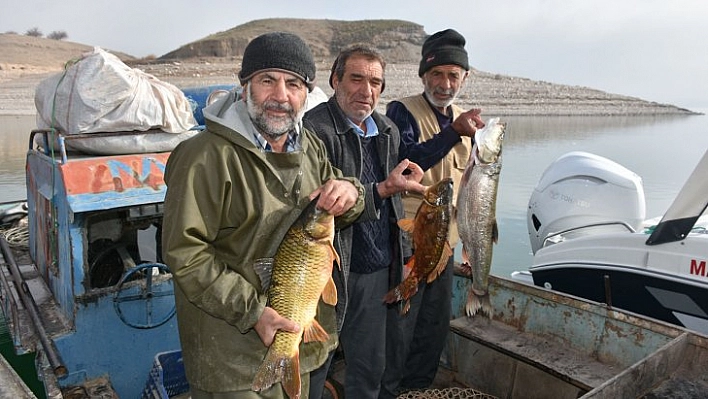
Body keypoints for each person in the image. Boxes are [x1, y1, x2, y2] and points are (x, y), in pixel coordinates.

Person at [161, 31, 365, 399]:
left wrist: (352, 190)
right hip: (230, 359)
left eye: (294, 84)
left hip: (298, 340)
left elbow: (337, 209)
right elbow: (185, 255)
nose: (281, 96)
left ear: (306, 94)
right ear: (245, 87)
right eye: (267, 80)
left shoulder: (309, 147)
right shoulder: (204, 156)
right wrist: (254, 312)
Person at [302, 44, 426, 399]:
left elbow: (396, 204)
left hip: (374, 271)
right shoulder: (315, 130)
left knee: (368, 367)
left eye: (375, 82)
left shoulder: (387, 130)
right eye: (356, 78)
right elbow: (322, 205)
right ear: (335, 80)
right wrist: (383, 188)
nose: (366, 91)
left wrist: (403, 259)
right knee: (314, 363)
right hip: (327, 272)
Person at [380, 28, 486, 398]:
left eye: (453, 75)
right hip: (410, 238)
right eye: (437, 74)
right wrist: (452, 133)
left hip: (448, 244)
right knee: (401, 322)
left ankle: (418, 389)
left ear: (464, 78)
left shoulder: (466, 121)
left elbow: (474, 187)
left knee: (434, 324)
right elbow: (405, 161)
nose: (445, 83)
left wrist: (472, 243)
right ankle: (390, 391)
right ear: (423, 75)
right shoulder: (401, 111)